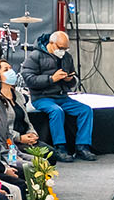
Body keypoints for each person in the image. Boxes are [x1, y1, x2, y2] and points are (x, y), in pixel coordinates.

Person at [20, 30, 95, 163]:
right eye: (61, 48)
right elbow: (29, 79)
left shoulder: (66, 57)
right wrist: (51, 79)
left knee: (86, 110)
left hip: (62, 96)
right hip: (42, 97)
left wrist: (70, 80)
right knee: (56, 111)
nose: (63, 51)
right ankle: (60, 147)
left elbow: (74, 78)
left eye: (66, 48)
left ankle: (82, 146)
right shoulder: (35, 56)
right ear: (52, 43)